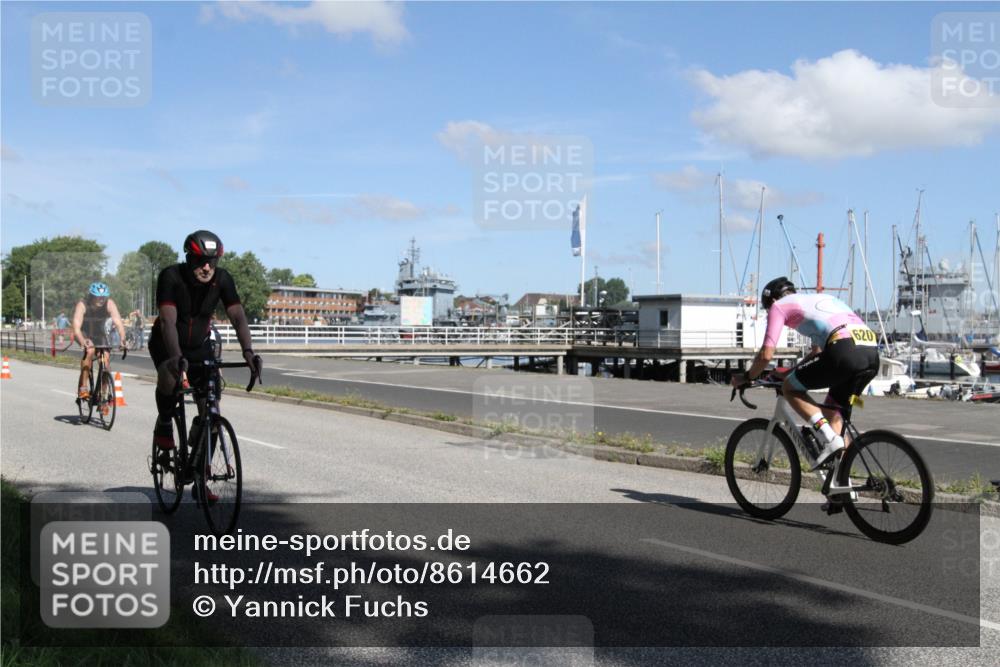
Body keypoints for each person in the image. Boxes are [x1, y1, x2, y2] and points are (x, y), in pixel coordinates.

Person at [731, 277, 880, 468]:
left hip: (844, 349)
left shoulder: (779, 307)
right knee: (834, 415)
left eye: (768, 310)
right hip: (870, 353)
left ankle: (828, 438)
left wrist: (746, 377)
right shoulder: (817, 301)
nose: (771, 314)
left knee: (789, 389)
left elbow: (766, 355)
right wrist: (790, 372)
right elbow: (818, 353)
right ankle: (842, 488)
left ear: (773, 301)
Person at [148, 230, 260, 454]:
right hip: (166, 342)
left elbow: (237, 316)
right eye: (200, 261)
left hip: (199, 346)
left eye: (212, 262)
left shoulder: (223, 279)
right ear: (189, 258)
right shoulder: (171, 276)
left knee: (211, 411)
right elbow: (168, 322)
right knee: (170, 374)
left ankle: (201, 472)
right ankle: (165, 422)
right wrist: (176, 357)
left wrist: (248, 352)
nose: (207, 267)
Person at [72, 282, 127, 400]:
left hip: (100, 334)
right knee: (90, 351)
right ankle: (83, 388)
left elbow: (119, 323)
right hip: (84, 333)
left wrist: (123, 339)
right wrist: (83, 341)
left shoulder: (110, 304)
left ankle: (103, 396)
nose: (102, 300)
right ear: (92, 295)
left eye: (104, 297)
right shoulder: (82, 305)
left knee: (106, 362)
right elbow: (76, 329)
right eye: (99, 297)